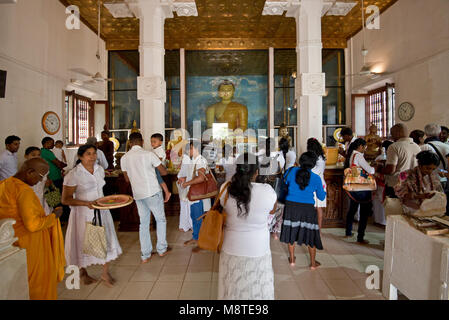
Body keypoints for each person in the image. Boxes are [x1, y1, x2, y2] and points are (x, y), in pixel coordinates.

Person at [0, 158, 65, 300]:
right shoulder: (24, 191)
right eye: (41, 176)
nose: (41, 181)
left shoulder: (5, 183)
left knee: (20, 282)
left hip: (11, 241)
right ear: (29, 172)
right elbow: (33, 225)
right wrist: (54, 216)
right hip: (30, 244)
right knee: (38, 281)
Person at [218, 153, 277, 300]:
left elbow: (222, 207)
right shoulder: (267, 190)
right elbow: (272, 210)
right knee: (257, 288)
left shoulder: (225, 189)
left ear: (237, 169)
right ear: (256, 172)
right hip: (258, 247)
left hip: (231, 246)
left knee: (232, 288)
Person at [62, 144, 122, 287]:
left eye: (94, 153)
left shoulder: (99, 169)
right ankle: (83, 273)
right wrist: (86, 203)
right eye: (88, 154)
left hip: (102, 211)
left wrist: (106, 202)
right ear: (80, 156)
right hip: (83, 214)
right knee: (82, 242)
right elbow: (66, 199)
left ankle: (105, 273)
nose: (92, 156)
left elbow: (100, 191)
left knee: (105, 240)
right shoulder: (74, 174)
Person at [120, 132, 171, 263]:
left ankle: (145, 254)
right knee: (160, 220)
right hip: (152, 191)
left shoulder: (124, 158)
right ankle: (161, 249)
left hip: (138, 194)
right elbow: (163, 172)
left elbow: (127, 179)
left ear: (130, 143)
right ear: (142, 141)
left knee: (143, 223)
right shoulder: (149, 154)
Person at [280, 152, 326, 270]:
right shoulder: (316, 178)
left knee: (291, 232)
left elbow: (284, 183)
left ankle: (292, 259)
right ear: (313, 164)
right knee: (311, 235)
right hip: (307, 209)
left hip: (291, 206)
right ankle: (312, 263)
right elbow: (321, 197)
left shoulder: (291, 171)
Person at [178, 140, 212, 252]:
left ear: (197, 149)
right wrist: (183, 179)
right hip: (194, 194)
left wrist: (187, 183)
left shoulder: (201, 160)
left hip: (200, 196)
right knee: (194, 216)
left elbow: (201, 178)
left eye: (191, 148)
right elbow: (190, 175)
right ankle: (195, 237)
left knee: (199, 217)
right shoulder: (194, 160)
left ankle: (201, 241)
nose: (189, 150)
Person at [344, 139, 375, 244]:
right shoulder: (359, 156)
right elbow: (370, 170)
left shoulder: (352, 155)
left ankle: (348, 231)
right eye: (364, 147)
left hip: (354, 186)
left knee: (352, 209)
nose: (365, 149)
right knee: (364, 212)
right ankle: (360, 237)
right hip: (362, 187)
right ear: (360, 146)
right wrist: (374, 168)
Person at [378, 124, 421, 198]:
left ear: (397, 133)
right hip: (412, 183)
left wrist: (379, 168)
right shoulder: (416, 146)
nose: (391, 137)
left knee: (394, 207)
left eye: (392, 134)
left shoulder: (394, 146)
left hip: (396, 185)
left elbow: (390, 170)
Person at [25, 146, 53, 215]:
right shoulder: (24, 169)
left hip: (41, 196)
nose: (36, 157)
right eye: (33, 155)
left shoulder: (43, 167)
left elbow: (47, 179)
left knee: (43, 215)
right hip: (29, 199)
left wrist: (48, 181)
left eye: (38, 155)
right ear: (26, 156)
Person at [308, 138, 327, 230]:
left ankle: (318, 229)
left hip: (317, 184)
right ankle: (316, 228)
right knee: (317, 207)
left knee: (317, 207)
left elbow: (314, 172)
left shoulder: (318, 159)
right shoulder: (321, 157)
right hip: (320, 183)